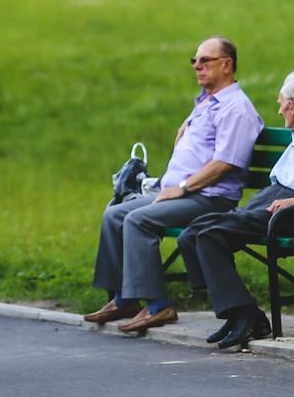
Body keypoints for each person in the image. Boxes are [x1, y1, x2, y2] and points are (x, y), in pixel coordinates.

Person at [84, 36, 264, 334]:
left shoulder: (236, 108)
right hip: (183, 192)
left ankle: (158, 306)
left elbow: (226, 163)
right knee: (114, 213)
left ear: (227, 65)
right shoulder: (208, 102)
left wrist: (182, 188)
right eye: (194, 60)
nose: (197, 66)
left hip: (209, 198)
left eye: (205, 60)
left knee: (138, 220)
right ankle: (125, 298)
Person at [177, 70, 294, 350]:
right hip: (272, 202)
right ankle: (236, 312)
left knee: (211, 236)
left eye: (281, 102)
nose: (279, 108)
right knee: (192, 233)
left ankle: (246, 315)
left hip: (291, 212)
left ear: (292, 106)